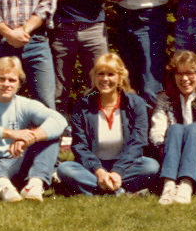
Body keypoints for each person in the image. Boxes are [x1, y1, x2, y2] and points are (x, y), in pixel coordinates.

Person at [0, 56, 68, 203]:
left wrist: (30, 138)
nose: (6, 84)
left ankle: (34, 185)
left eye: (12, 80)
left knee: (50, 137)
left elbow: (59, 121)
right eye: (1, 79)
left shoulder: (26, 104)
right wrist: (12, 133)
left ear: (19, 84)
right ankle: (3, 187)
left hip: (16, 162)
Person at [57, 53, 160, 196]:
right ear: (94, 77)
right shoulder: (83, 105)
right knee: (65, 169)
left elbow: (138, 142)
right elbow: (79, 145)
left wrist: (118, 171)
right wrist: (99, 171)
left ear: (120, 77)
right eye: (101, 74)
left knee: (151, 166)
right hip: (94, 167)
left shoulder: (136, 103)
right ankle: (118, 190)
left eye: (111, 74)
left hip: (126, 165)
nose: (105, 79)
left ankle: (101, 189)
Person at [150, 51, 196, 205]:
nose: (184, 79)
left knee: (194, 129)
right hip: (171, 154)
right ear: (173, 76)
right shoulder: (165, 98)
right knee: (176, 128)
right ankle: (169, 186)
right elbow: (157, 129)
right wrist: (164, 145)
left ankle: (186, 185)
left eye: (190, 73)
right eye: (179, 74)